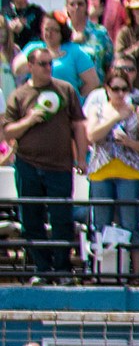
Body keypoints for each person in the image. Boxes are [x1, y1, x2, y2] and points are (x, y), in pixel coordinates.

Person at [4, 45, 85, 276]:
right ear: (30, 67)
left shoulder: (65, 90)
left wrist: (81, 157)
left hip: (59, 165)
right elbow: (7, 131)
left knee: (61, 219)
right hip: (27, 164)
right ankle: (41, 268)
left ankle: (61, 270)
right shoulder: (19, 95)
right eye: (42, 64)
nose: (48, 68)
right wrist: (29, 120)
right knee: (31, 219)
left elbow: (78, 124)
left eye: (50, 63)